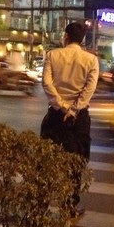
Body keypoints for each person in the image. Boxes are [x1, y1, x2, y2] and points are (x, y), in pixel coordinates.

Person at [40, 21, 99, 217]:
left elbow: (46, 83)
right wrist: (73, 109)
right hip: (78, 119)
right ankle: (69, 206)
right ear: (82, 39)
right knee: (75, 162)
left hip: (55, 116)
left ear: (65, 37)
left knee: (47, 161)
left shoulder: (52, 55)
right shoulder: (91, 60)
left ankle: (42, 204)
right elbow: (89, 89)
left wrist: (61, 105)